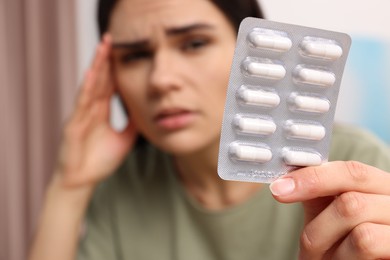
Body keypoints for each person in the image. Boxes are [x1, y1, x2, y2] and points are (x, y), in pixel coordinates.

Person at [29, 0, 390, 259]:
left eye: (194, 43)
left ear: (254, 50)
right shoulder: (123, 186)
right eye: (135, 55)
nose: (161, 80)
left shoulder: (356, 166)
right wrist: (69, 184)